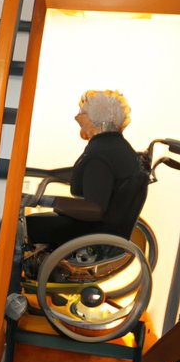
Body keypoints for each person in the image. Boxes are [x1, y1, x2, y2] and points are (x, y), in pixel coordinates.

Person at [26, 90, 149, 249]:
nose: (77, 117)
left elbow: (95, 209)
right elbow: (87, 175)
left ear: (98, 119)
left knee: (24, 225)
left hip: (94, 232)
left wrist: (47, 201)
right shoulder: (115, 146)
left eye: (82, 113)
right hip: (109, 229)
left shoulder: (101, 153)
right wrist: (44, 174)